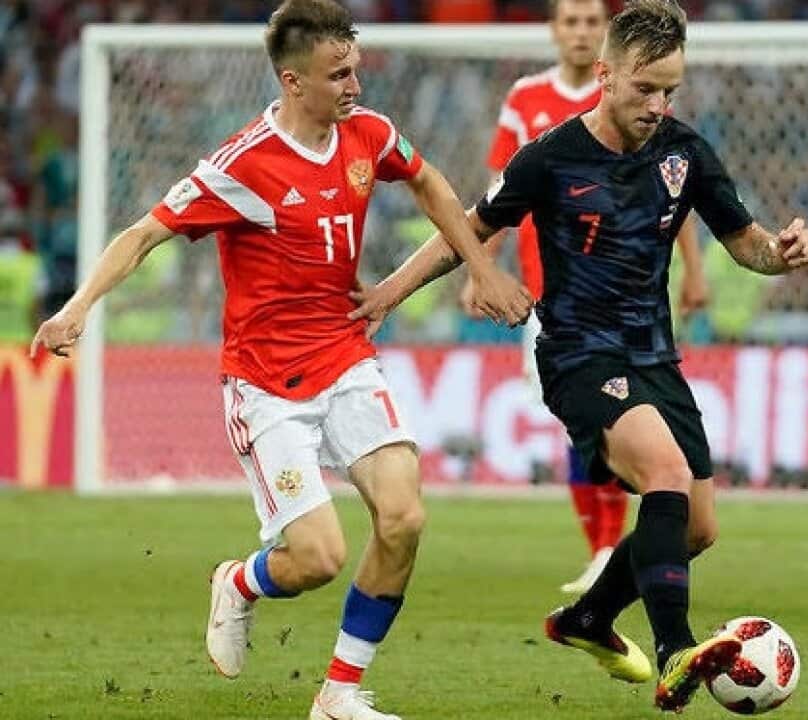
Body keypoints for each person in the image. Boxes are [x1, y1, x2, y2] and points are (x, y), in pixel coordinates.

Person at [29, 2, 531, 718]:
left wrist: (479, 267)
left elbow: (431, 184)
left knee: (404, 518)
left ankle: (339, 695)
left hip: (346, 355)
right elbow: (143, 234)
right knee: (317, 560)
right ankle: (240, 582)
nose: (355, 85)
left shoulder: (370, 134)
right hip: (268, 387)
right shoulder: (242, 165)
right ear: (293, 81)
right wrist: (76, 308)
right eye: (338, 74)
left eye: (356, 68)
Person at [351, 1, 808, 710]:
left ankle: (589, 619)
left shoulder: (684, 154)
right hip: (575, 352)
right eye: (645, 89)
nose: (659, 105)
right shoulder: (549, 156)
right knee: (663, 472)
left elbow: (744, 241)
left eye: (671, 91)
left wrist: (781, 257)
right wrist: (389, 290)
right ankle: (673, 653)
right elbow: (465, 230)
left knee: (695, 528)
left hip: (654, 355)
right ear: (606, 75)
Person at [466, 0, 710, 596]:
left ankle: (614, 546)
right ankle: (604, 546)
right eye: (569, 22)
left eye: (589, 22)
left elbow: (672, 194)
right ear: (554, 31)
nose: (579, 32)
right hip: (552, 297)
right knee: (589, 422)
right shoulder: (527, 100)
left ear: (606, 38)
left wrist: (694, 267)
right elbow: (499, 191)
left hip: (630, 307)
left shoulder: (639, 99)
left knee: (625, 430)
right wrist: (482, 268)